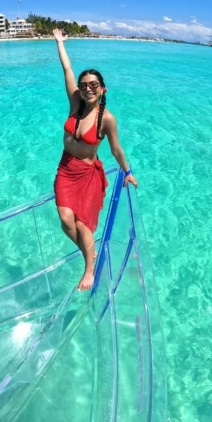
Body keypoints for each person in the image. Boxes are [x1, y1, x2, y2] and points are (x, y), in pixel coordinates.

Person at [53, 28, 138, 291]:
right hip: (66, 169)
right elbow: (67, 70)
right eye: (84, 84)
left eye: (93, 85)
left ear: (102, 89)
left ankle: (89, 269)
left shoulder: (107, 118)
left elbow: (116, 149)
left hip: (87, 174)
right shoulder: (75, 102)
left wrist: (127, 171)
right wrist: (60, 44)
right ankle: (89, 254)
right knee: (65, 221)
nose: (88, 88)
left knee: (81, 222)